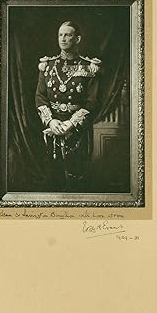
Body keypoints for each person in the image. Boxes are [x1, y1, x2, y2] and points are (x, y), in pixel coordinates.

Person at [35, 21, 102, 191]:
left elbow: (92, 101)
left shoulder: (89, 67)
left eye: (67, 35)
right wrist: (50, 122)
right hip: (52, 129)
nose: (63, 38)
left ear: (77, 38)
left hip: (78, 130)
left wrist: (71, 124)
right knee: (53, 179)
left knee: (77, 180)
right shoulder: (47, 65)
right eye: (60, 35)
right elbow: (40, 97)